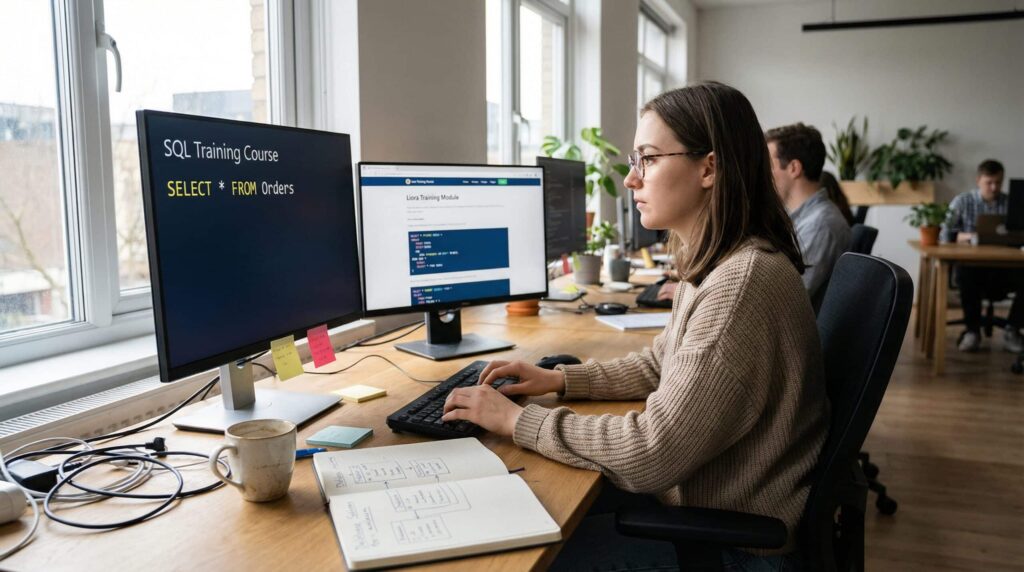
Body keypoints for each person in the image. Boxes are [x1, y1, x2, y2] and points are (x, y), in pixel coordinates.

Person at [441, 82, 830, 570]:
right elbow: (661, 361)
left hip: (729, 546)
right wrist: (561, 380)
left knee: (510, 553)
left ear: (709, 167)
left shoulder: (741, 282)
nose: (630, 179)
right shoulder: (719, 260)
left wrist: (518, 420)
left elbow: (654, 452)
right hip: (699, 507)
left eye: (646, 159)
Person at [766, 123, 852, 311]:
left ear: (794, 168)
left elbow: (787, 300)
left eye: (768, 166)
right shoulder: (804, 218)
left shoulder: (821, 226)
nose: (764, 175)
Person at [941, 159, 1024, 353]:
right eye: (989, 182)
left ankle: (1012, 329)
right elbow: (945, 234)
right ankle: (972, 331)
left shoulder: (1011, 204)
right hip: (973, 268)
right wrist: (970, 236)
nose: (994, 187)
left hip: (1005, 269)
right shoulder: (962, 201)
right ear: (978, 180)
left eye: (998, 182)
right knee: (966, 274)